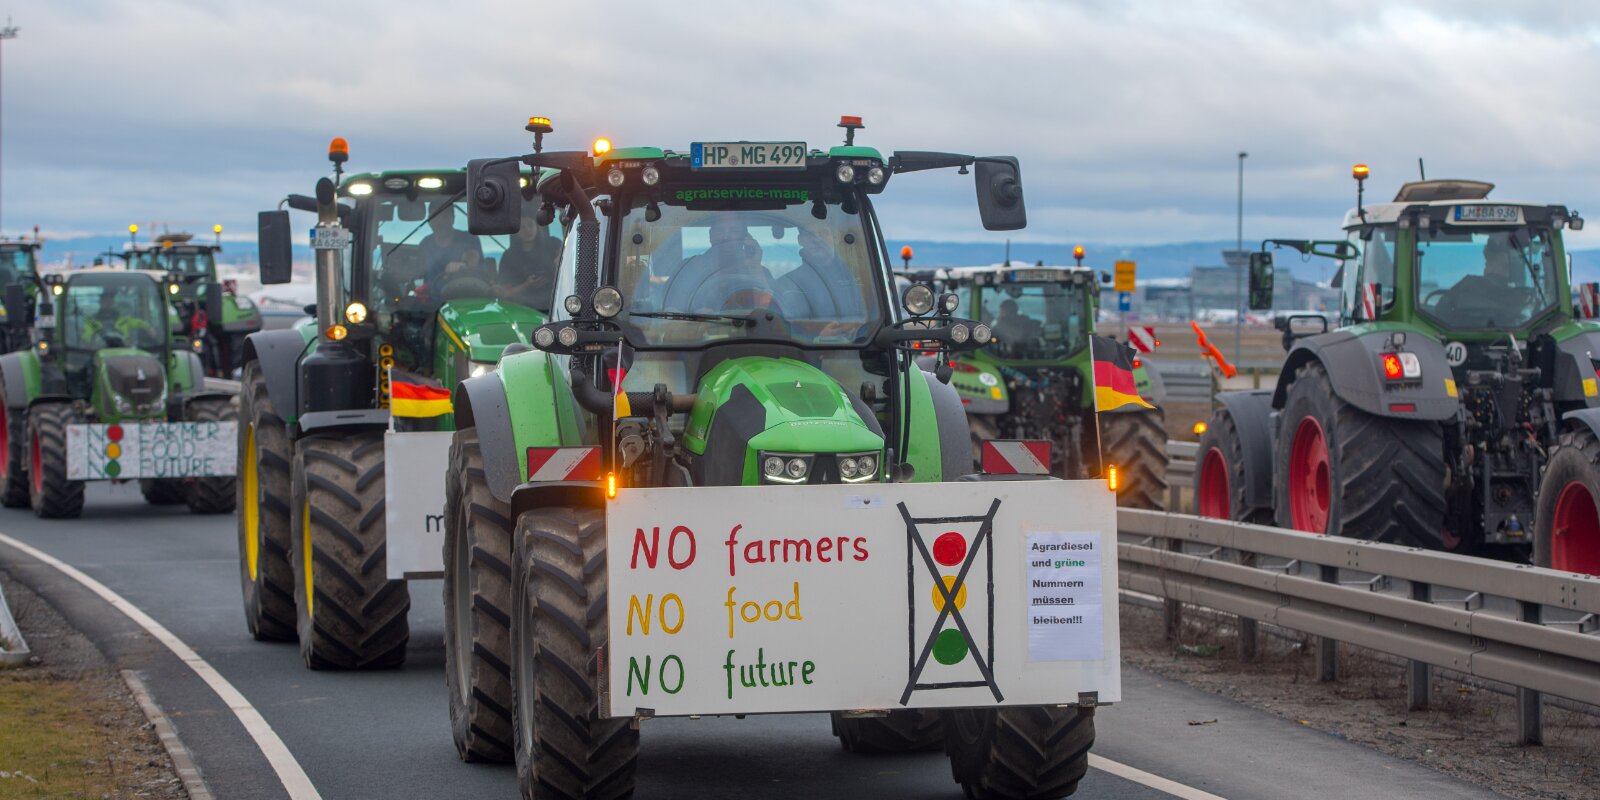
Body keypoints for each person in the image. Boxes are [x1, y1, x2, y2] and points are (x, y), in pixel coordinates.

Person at [498, 221, 561, 311]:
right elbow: (505, 294)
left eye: (530, 225)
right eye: (522, 227)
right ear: (516, 231)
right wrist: (527, 285)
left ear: (537, 226)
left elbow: (567, 267)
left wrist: (558, 263)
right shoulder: (509, 257)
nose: (527, 230)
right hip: (523, 312)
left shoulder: (554, 244)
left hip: (558, 306)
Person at [420, 207, 483, 289]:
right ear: (429, 221)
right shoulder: (425, 244)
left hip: (464, 295)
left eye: (444, 217)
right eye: (436, 218)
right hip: (432, 300)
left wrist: (463, 264)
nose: (440, 222)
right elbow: (418, 272)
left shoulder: (468, 238)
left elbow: (472, 257)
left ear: (453, 218)